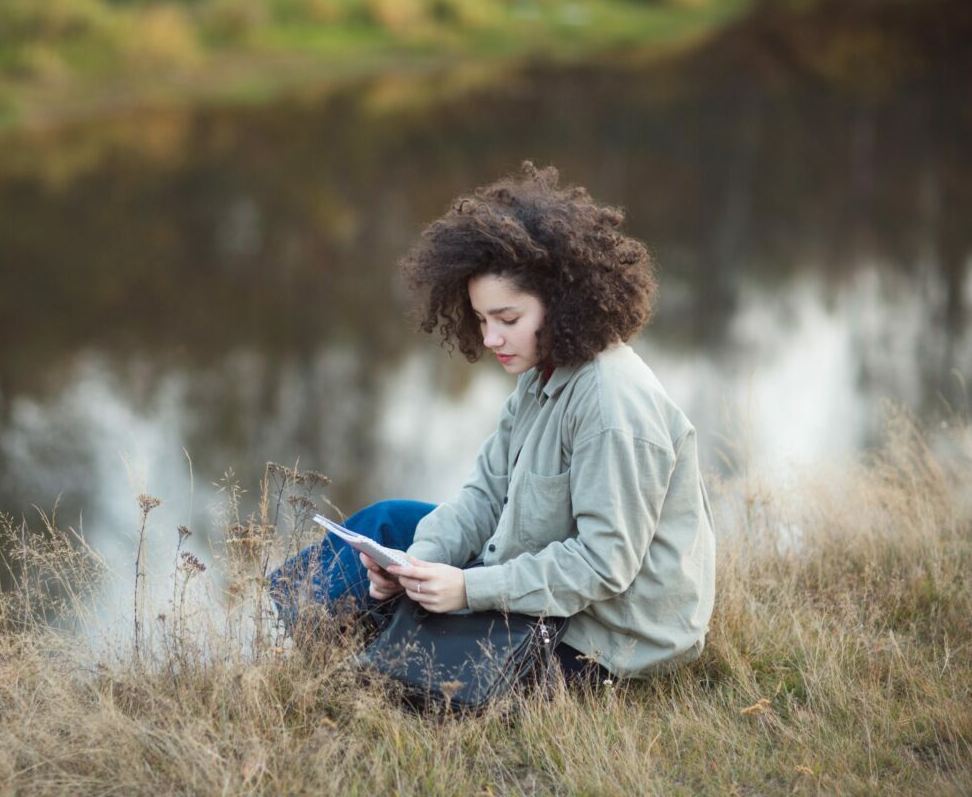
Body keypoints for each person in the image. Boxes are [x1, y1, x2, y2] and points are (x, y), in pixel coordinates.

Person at [270, 162, 716, 683]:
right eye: (482, 320)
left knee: (425, 658)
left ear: (565, 304)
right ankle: (308, 658)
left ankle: (346, 668)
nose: (490, 339)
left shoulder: (613, 404)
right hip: (546, 581)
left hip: (605, 637)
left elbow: (602, 566)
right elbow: (483, 497)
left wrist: (467, 589)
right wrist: (413, 565)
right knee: (386, 524)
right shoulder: (541, 373)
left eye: (507, 320)